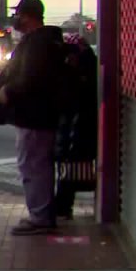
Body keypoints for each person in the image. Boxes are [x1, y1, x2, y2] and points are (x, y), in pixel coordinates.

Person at [0, 0, 72, 235]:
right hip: (37, 115)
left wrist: (9, 90)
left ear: (28, 16)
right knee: (38, 164)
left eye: (19, 14)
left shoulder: (38, 44)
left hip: (34, 116)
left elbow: (33, 77)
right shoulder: (43, 41)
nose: (16, 18)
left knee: (33, 165)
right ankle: (42, 214)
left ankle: (40, 217)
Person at [54, 35, 99, 219]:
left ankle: (63, 208)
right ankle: (64, 207)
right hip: (78, 129)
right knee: (70, 167)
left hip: (76, 129)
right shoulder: (89, 71)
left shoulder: (76, 75)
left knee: (69, 169)